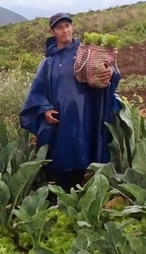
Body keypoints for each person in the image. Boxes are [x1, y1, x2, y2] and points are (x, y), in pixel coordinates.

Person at [19, 13, 120, 192]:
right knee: (62, 159)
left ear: (72, 27)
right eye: (60, 27)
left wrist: (110, 72)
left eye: (67, 25)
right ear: (53, 32)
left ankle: (85, 196)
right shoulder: (49, 62)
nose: (65, 30)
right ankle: (62, 197)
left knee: (86, 152)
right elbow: (37, 91)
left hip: (86, 115)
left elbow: (108, 69)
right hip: (61, 120)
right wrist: (45, 109)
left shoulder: (87, 52)